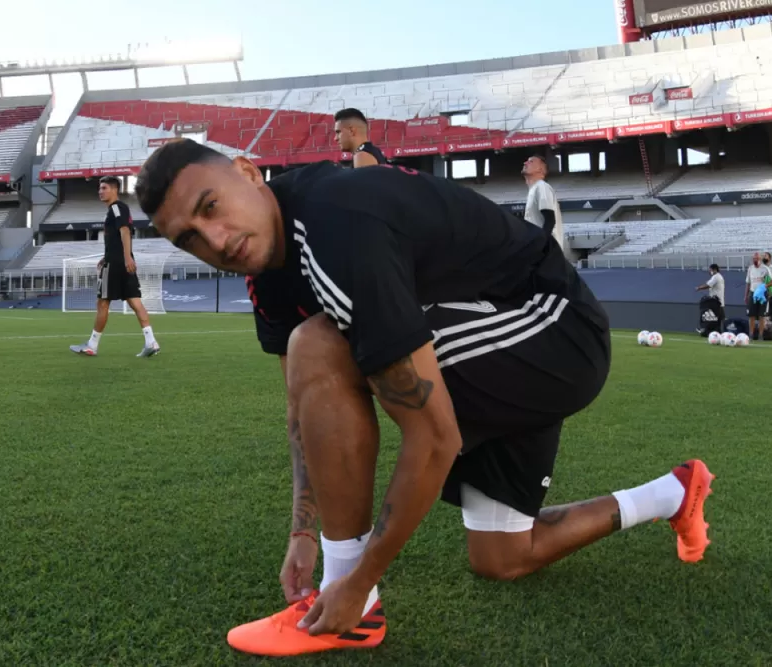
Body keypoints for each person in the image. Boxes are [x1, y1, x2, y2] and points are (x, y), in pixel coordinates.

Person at [135, 140, 715, 657]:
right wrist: (300, 532)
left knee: (317, 342)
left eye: (210, 207)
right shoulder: (267, 273)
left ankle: (355, 618)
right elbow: (301, 411)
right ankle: (672, 493)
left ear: (247, 172)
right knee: (503, 558)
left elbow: (434, 435)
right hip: (494, 339)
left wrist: (356, 580)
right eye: (189, 238)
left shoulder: (336, 224)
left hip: (553, 328)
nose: (213, 240)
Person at [69, 176, 160, 358]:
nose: (100, 191)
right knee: (134, 301)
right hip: (119, 261)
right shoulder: (117, 209)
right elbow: (118, 237)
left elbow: (125, 230)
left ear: (114, 189)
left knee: (103, 302)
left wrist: (125, 258)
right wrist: (107, 256)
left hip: (117, 264)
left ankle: (92, 345)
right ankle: (151, 341)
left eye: (104, 188)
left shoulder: (117, 207)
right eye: (99, 189)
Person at [521, 155, 565, 253]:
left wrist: (540, 246)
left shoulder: (542, 187)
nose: (525, 163)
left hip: (547, 252)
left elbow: (550, 219)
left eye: (531, 162)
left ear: (540, 169)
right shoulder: (533, 190)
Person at [745, 252, 771, 340]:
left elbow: (771, 282)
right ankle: (751, 334)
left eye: (756, 259)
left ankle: (761, 335)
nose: (755, 260)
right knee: (751, 315)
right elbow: (748, 283)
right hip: (752, 293)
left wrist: (764, 287)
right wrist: (746, 295)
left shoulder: (765, 269)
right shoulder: (750, 269)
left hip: (762, 294)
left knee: (761, 315)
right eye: (753, 259)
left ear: (760, 259)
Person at [695, 264, 725, 334]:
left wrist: (699, 288)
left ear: (714, 270)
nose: (709, 271)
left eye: (710, 270)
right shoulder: (719, 276)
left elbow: (708, 285)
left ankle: (707, 330)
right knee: (720, 317)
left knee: (712, 317)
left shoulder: (716, 277)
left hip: (715, 301)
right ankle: (719, 331)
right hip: (719, 300)